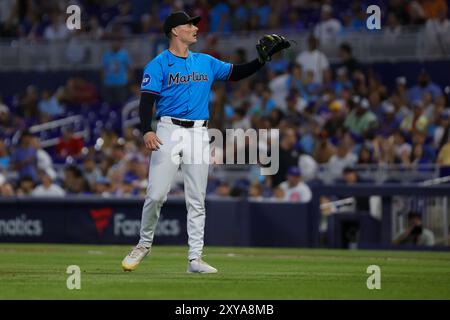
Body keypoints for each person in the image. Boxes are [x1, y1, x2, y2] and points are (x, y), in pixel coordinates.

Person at [121, 11, 290, 273]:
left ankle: (195, 259)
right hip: (168, 130)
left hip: (199, 133)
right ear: (175, 31)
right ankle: (143, 244)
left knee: (197, 198)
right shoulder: (158, 64)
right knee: (155, 194)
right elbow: (146, 101)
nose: (195, 28)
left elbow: (236, 73)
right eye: (189, 24)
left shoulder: (205, 61)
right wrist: (146, 130)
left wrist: (260, 61)